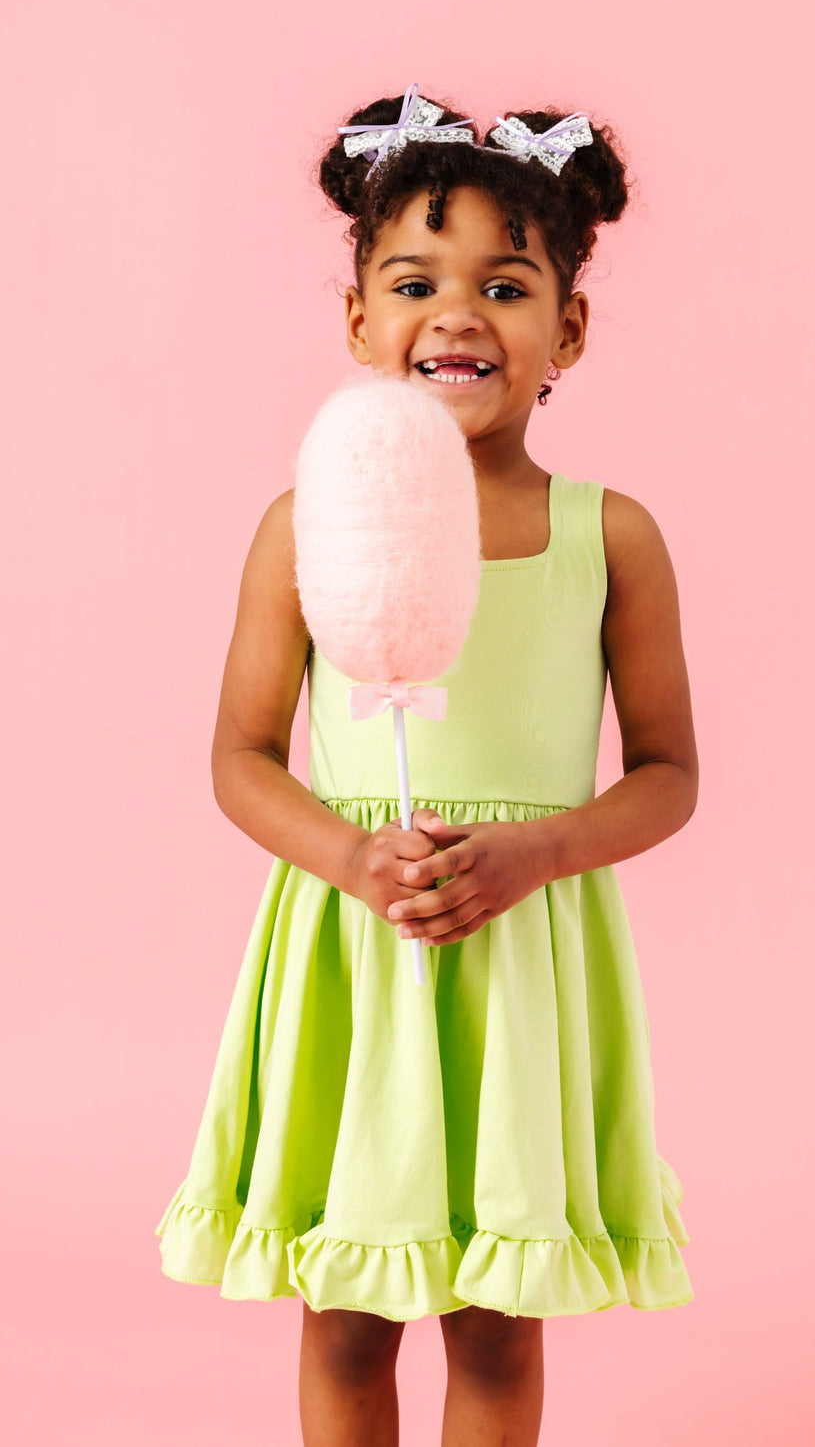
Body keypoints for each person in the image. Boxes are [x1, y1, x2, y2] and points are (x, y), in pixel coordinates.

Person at [155, 84, 699, 1447]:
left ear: (566, 329)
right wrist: (350, 855)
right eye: (415, 281)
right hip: (357, 948)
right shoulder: (304, 524)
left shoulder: (609, 535)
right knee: (346, 1315)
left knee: (497, 1330)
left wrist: (539, 850)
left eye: (506, 286)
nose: (459, 315)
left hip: (519, 962)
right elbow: (239, 753)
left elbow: (670, 771)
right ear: (358, 323)